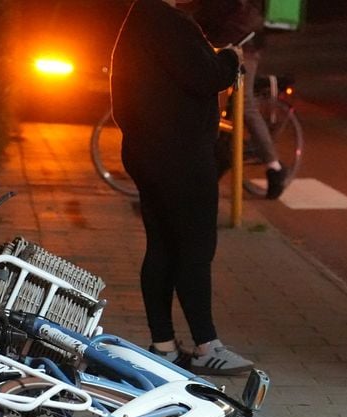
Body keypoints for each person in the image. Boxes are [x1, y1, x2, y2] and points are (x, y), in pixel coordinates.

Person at [110, 0, 255, 375]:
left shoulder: (142, 17)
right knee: (194, 247)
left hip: (148, 151)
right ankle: (207, 346)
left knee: (162, 246)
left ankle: (164, 346)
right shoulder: (165, 21)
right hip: (180, 154)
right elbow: (203, 76)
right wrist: (231, 58)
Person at [193, 0, 287, 200]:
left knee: (244, 103)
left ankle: (274, 166)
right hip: (231, 43)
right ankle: (219, 160)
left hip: (245, 45)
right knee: (227, 106)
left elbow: (240, 17)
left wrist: (210, 36)